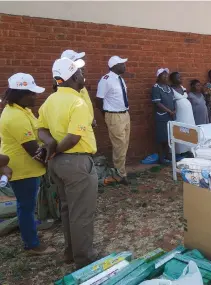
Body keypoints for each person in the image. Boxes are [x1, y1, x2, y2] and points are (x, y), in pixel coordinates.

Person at [38, 58, 98, 268]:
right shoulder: (78, 102)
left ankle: (70, 252)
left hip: (58, 166)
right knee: (81, 213)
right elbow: (74, 138)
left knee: (67, 210)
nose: (83, 76)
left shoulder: (49, 101)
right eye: (80, 73)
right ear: (73, 77)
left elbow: (41, 129)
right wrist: (54, 149)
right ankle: (85, 260)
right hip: (77, 164)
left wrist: (51, 145)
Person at [0, 73, 55, 255]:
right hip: (23, 169)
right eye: (31, 93)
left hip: (29, 168)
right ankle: (31, 245)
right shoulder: (15, 116)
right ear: (20, 93)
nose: (35, 96)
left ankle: (30, 233)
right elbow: (33, 150)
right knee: (26, 207)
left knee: (27, 205)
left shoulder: (22, 110)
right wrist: (51, 163)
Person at [96, 55, 130, 185]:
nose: (124, 66)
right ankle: (120, 174)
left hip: (125, 114)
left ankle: (119, 171)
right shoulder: (106, 80)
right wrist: (106, 114)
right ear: (114, 66)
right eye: (122, 64)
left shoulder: (120, 79)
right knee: (119, 145)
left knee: (124, 144)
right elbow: (99, 100)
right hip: (114, 115)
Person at [60, 50, 96, 127]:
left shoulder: (79, 82)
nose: (82, 66)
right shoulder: (68, 87)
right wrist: (89, 120)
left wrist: (91, 118)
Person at [151, 68, 175, 165]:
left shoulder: (169, 88)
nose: (166, 77)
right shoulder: (156, 87)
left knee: (169, 136)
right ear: (158, 76)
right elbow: (157, 103)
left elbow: (173, 100)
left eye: (166, 75)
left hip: (171, 116)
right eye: (163, 75)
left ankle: (168, 155)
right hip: (162, 116)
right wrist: (169, 111)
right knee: (162, 137)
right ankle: (161, 158)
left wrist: (174, 110)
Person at [170, 72, 195, 154]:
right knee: (181, 129)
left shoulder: (182, 87)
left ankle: (190, 148)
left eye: (180, 77)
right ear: (172, 79)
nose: (180, 78)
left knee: (190, 128)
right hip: (179, 113)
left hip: (188, 113)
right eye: (178, 77)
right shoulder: (170, 89)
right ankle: (181, 151)